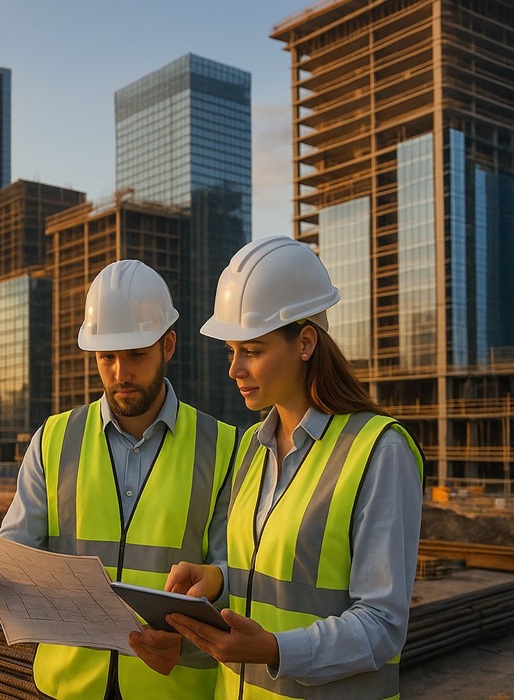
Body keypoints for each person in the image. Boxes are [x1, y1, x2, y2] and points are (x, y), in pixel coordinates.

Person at [0, 259, 237, 699]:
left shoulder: (223, 447)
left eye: (136, 354)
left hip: (174, 688)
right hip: (67, 687)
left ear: (169, 345)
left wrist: (184, 645)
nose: (120, 373)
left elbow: (238, 579)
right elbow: (13, 560)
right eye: (107, 357)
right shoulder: (54, 440)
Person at [163, 237, 424, 699]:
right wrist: (221, 579)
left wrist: (275, 649)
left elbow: (382, 626)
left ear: (305, 343)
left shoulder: (378, 451)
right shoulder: (251, 448)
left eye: (253, 350)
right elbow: (278, 578)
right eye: (231, 351)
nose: (235, 369)